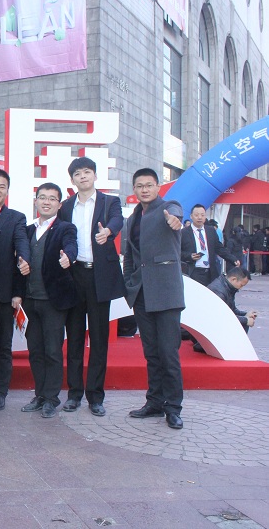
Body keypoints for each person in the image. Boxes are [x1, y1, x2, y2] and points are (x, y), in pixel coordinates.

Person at [58, 157, 125, 417]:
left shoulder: (109, 202)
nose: (83, 177)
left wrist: (108, 231)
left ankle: (95, 396)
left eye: (87, 172)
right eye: (78, 173)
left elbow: (118, 220)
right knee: (74, 338)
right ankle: (74, 394)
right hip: (74, 276)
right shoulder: (66, 207)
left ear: (95, 176)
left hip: (99, 276)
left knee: (98, 339)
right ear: (72, 180)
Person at [122, 168, 185, 430]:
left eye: (149, 185)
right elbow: (129, 257)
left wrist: (176, 220)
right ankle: (155, 402)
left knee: (168, 353)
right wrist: (129, 285)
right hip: (141, 294)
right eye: (140, 186)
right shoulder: (132, 219)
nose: (144, 190)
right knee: (151, 353)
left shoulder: (168, 208)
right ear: (134, 190)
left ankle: (173, 407)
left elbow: (177, 213)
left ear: (158, 187)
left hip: (166, 292)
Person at [19, 183, 78, 418]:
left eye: (52, 199)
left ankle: (51, 398)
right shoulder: (27, 230)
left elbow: (71, 246)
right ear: (35, 201)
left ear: (59, 204)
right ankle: (40, 395)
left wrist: (69, 257)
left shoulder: (65, 228)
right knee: (35, 350)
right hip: (29, 300)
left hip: (53, 301)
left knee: (53, 350)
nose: (46, 202)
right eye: (42, 197)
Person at [0, 169, 30, 411]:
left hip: (3, 292)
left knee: (3, 345)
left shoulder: (15, 218)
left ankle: (0, 391)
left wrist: (24, 259)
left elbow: (21, 243)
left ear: (7, 191)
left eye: (2, 186)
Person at [180, 204, 239, 287]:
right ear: (191, 216)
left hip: (210, 272)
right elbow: (177, 252)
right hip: (193, 271)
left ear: (205, 216)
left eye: (202, 215)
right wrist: (190, 256)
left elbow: (219, 248)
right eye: (196, 215)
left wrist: (232, 259)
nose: (199, 217)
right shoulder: (184, 232)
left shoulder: (210, 230)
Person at [208, 267, 257, 333]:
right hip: (212, 326)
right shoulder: (219, 291)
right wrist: (245, 320)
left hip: (217, 321)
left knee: (245, 322)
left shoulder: (228, 287)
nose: (241, 288)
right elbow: (221, 317)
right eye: (241, 285)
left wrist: (246, 314)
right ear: (234, 279)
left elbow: (232, 310)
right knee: (244, 323)